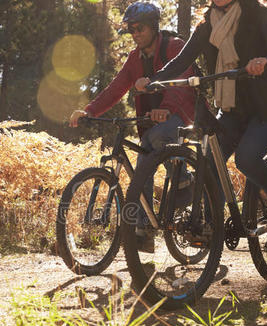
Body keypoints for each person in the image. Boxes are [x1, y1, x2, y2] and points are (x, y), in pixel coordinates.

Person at [136, 0, 267, 233]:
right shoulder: (207, 24)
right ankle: (213, 227)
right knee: (211, 162)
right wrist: (155, 80)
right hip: (234, 109)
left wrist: (266, 61)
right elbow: (182, 60)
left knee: (246, 158)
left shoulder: (260, 13)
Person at [69, 2, 197, 253]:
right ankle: (143, 230)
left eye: (139, 28)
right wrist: (90, 111)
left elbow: (182, 81)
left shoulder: (173, 46)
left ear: (153, 26)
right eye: (131, 30)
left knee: (155, 139)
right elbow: (115, 89)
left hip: (181, 115)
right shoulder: (134, 58)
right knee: (142, 164)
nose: (135, 33)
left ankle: (184, 182)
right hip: (152, 120)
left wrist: (167, 108)